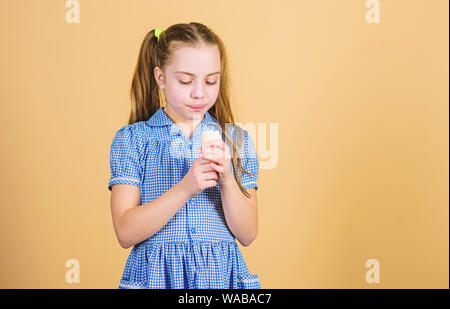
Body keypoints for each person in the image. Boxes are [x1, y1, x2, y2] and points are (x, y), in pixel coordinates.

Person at [107, 22, 260, 289]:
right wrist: (186, 188)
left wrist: (227, 181)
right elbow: (125, 232)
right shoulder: (133, 139)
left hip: (219, 278)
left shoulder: (236, 141)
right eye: (186, 80)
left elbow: (247, 234)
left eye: (211, 80)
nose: (200, 92)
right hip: (156, 277)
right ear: (160, 78)